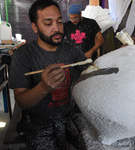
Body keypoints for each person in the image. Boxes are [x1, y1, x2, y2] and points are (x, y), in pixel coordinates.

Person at [9, 0, 90, 149]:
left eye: (59, 22)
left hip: (67, 117)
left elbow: (92, 71)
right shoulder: (23, 55)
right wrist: (43, 87)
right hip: (37, 124)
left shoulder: (71, 50)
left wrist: (120, 55)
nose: (56, 28)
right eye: (48, 23)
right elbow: (21, 101)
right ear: (35, 27)